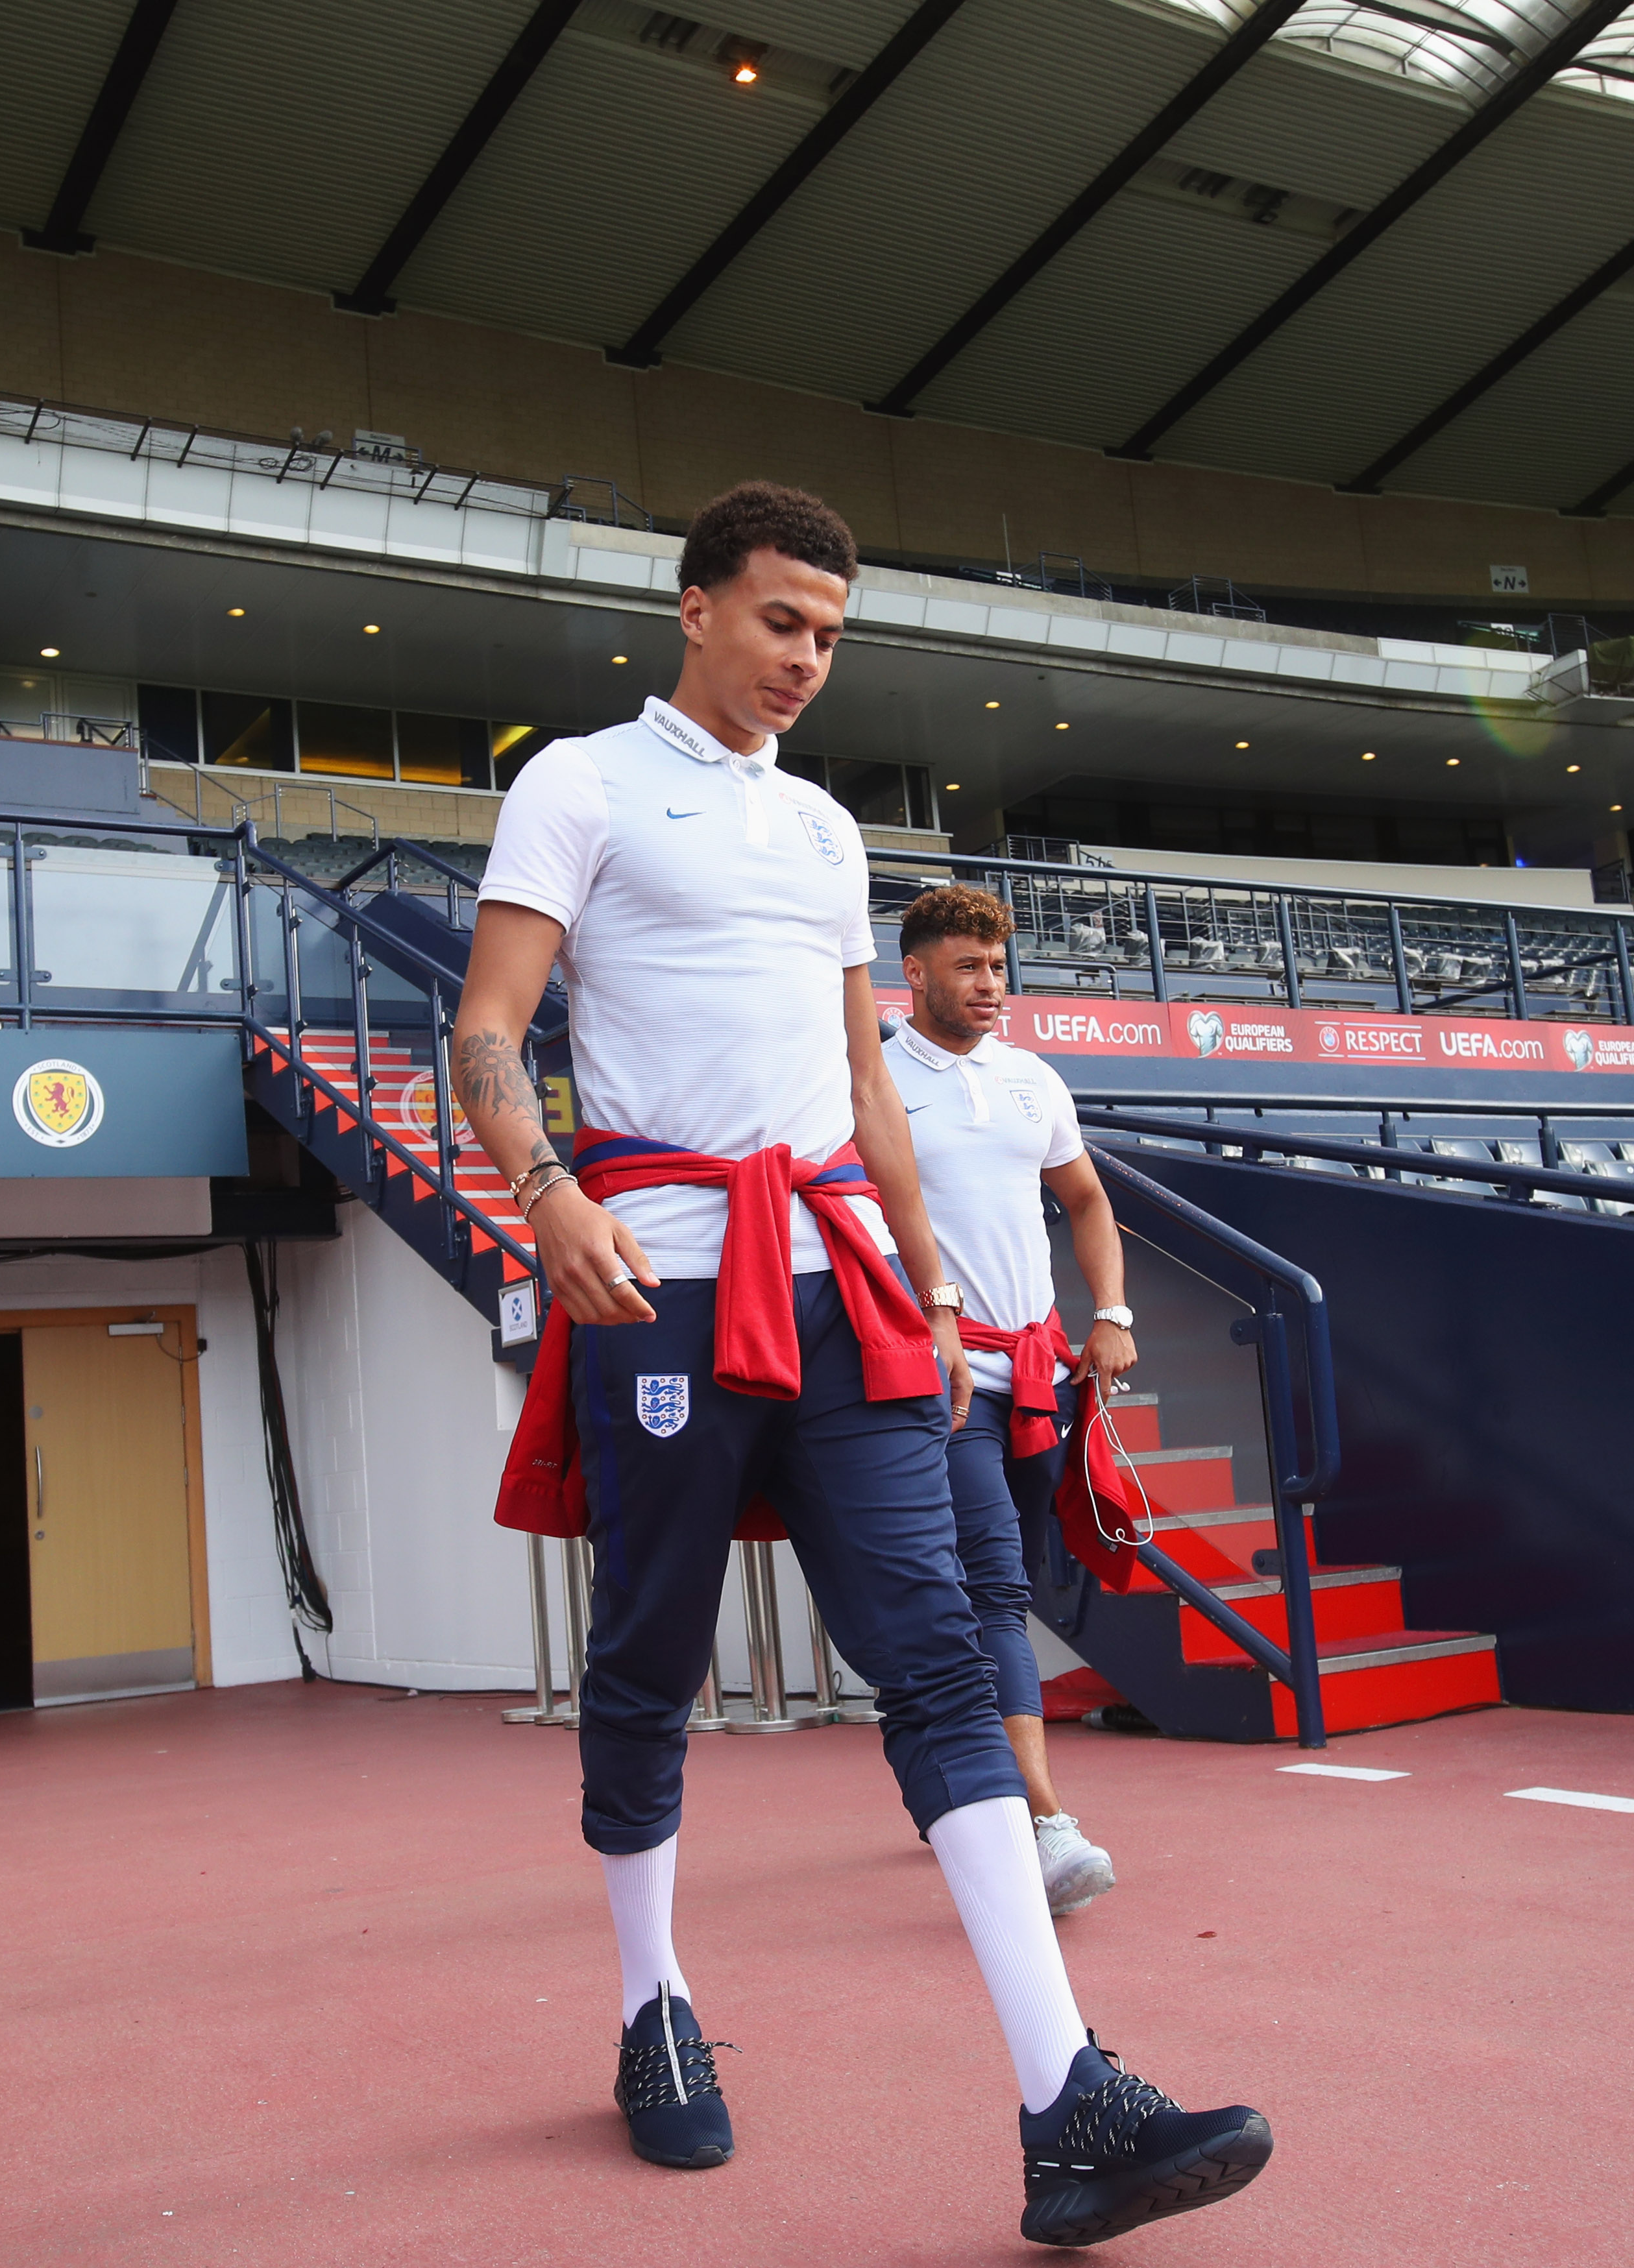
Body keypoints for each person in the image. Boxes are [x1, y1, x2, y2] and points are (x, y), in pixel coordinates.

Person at [457, 481, 1271, 2246]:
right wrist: (544, 1195)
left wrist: (926, 1287)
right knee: (651, 1658)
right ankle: (649, 2008)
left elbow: (865, 1083)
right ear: (693, 610)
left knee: (929, 1653)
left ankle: (1069, 2099)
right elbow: (485, 1035)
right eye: (777, 622)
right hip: (660, 1280)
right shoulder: (580, 783)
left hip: (844, 1289)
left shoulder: (828, 831)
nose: (806, 659)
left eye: (829, 633)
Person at [888, 882, 1135, 1917]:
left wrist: (1111, 1312)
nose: (989, 986)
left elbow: (1084, 1199)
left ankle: (946, 1769)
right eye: (967, 968)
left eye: (997, 968)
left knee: (1004, 1583)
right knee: (993, 1586)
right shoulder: (872, 1076)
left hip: (1039, 1374)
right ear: (913, 975)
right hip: (934, 1377)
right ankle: (1039, 1821)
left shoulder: (1031, 1079)